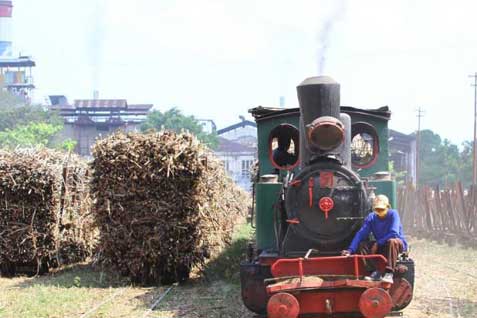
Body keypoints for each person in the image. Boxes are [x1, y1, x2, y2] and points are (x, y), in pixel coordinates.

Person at [341, 194, 408, 284]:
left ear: (388, 207)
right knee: (362, 245)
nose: (379, 211)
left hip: (395, 243)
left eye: (382, 209)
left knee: (392, 241)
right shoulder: (371, 217)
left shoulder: (393, 214)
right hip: (382, 244)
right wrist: (350, 250)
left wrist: (378, 243)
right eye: (377, 209)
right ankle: (374, 272)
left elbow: (394, 233)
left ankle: (389, 273)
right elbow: (361, 234)